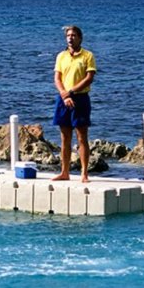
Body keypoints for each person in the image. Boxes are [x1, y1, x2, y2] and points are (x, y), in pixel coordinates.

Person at [51, 25, 97, 183]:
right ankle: (64, 172)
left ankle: (84, 173)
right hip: (63, 98)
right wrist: (64, 94)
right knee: (65, 137)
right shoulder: (61, 56)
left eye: (74, 35)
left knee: (81, 136)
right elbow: (57, 78)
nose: (70, 38)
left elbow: (89, 78)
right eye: (68, 35)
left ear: (80, 38)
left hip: (80, 98)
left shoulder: (87, 55)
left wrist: (70, 92)